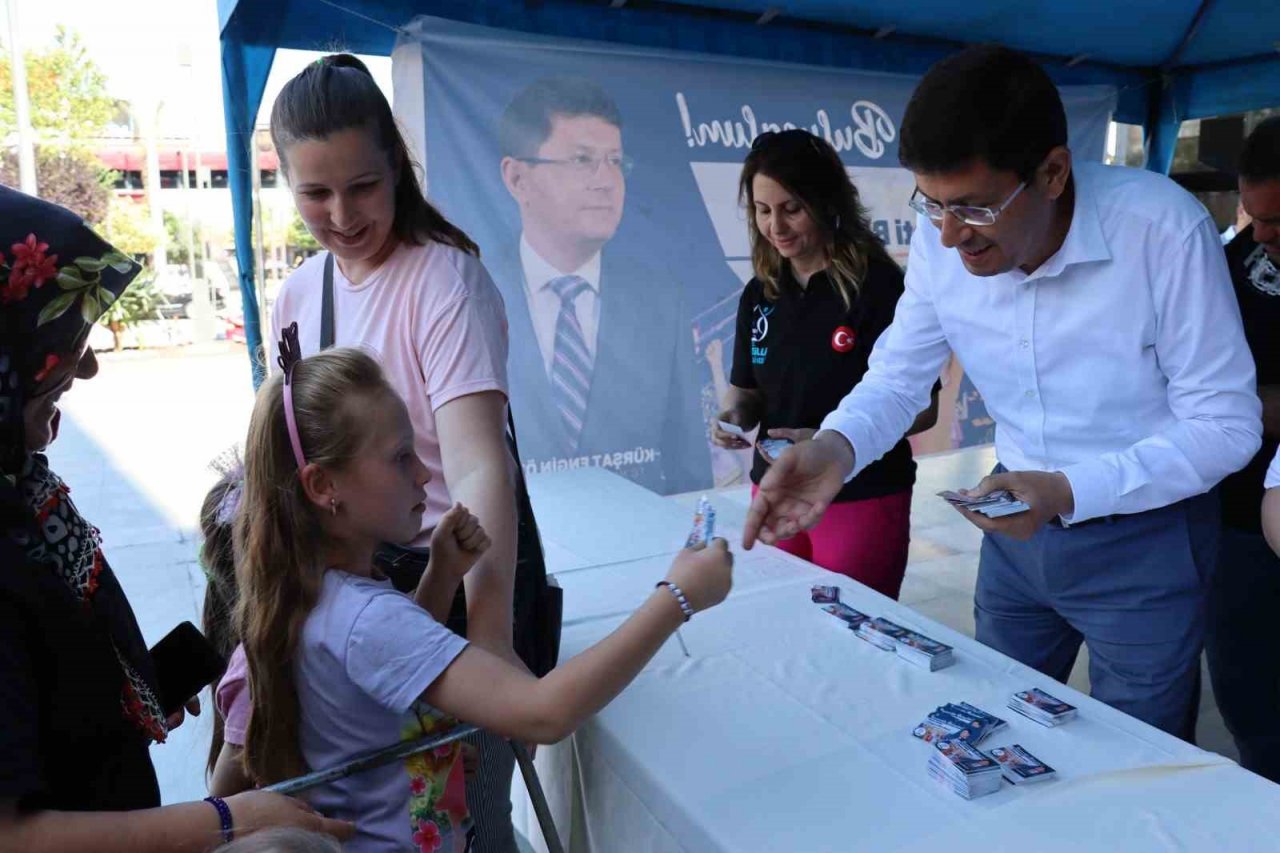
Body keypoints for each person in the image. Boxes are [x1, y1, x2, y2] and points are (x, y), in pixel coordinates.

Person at [742, 45, 1261, 738]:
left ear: (1052, 172)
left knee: (1140, 757)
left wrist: (1069, 490)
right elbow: (897, 377)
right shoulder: (941, 241)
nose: (952, 235)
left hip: (1147, 540)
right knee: (991, 729)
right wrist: (833, 450)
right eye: (933, 204)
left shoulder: (1162, 231)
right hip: (1015, 540)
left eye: (975, 208)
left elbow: (1226, 423)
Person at [235, 345, 732, 852]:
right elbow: (545, 713)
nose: (424, 476)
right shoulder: (367, 617)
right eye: (400, 458)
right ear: (323, 485)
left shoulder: (316, 591)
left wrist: (441, 574)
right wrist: (677, 597)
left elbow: (378, 673)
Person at [0, 186, 352, 851]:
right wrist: (230, 819)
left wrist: (127, 689)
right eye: (60, 341)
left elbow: (39, 698)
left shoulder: (26, 495)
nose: (89, 364)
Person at [266, 54, 523, 849]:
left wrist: (489, 634)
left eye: (363, 186)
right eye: (315, 192)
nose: (341, 213)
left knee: (462, 822)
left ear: (397, 171)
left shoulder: (443, 279)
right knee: (374, 820)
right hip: (347, 610)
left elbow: (481, 464)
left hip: (444, 586)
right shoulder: (300, 293)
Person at [711, 130, 937, 598]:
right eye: (763, 210)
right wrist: (733, 419)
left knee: (854, 634)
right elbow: (748, 393)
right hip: (773, 489)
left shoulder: (879, 287)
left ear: (827, 201)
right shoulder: (761, 292)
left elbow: (924, 406)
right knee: (785, 634)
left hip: (861, 495)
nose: (777, 227)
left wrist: (834, 441)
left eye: (791, 208)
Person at [493, 76, 711, 494]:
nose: (606, 180)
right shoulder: (473, 295)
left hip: (641, 541)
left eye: (615, 161)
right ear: (518, 178)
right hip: (516, 551)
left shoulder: (661, 300)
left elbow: (688, 465)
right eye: (581, 160)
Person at [1206, 116, 1280, 781]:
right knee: (1247, 687)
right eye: (1252, 216)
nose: (1260, 234)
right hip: (1235, 517)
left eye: (1278, 220)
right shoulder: (1232, 265)